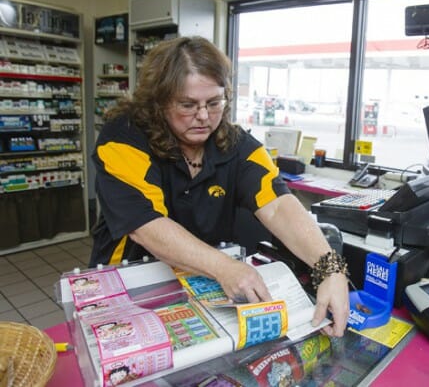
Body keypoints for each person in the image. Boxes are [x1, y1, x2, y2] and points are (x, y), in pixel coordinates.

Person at [90, 36, 349, 337]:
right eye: (187, 105)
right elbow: (146, 225)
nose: (203, 116)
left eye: (213, 103)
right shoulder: (123, 138)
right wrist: (225, 268)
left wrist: (330, 268)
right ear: (159, 102)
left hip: (199, 279)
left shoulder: (238, 144)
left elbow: (278, 205)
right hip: (129, 281)